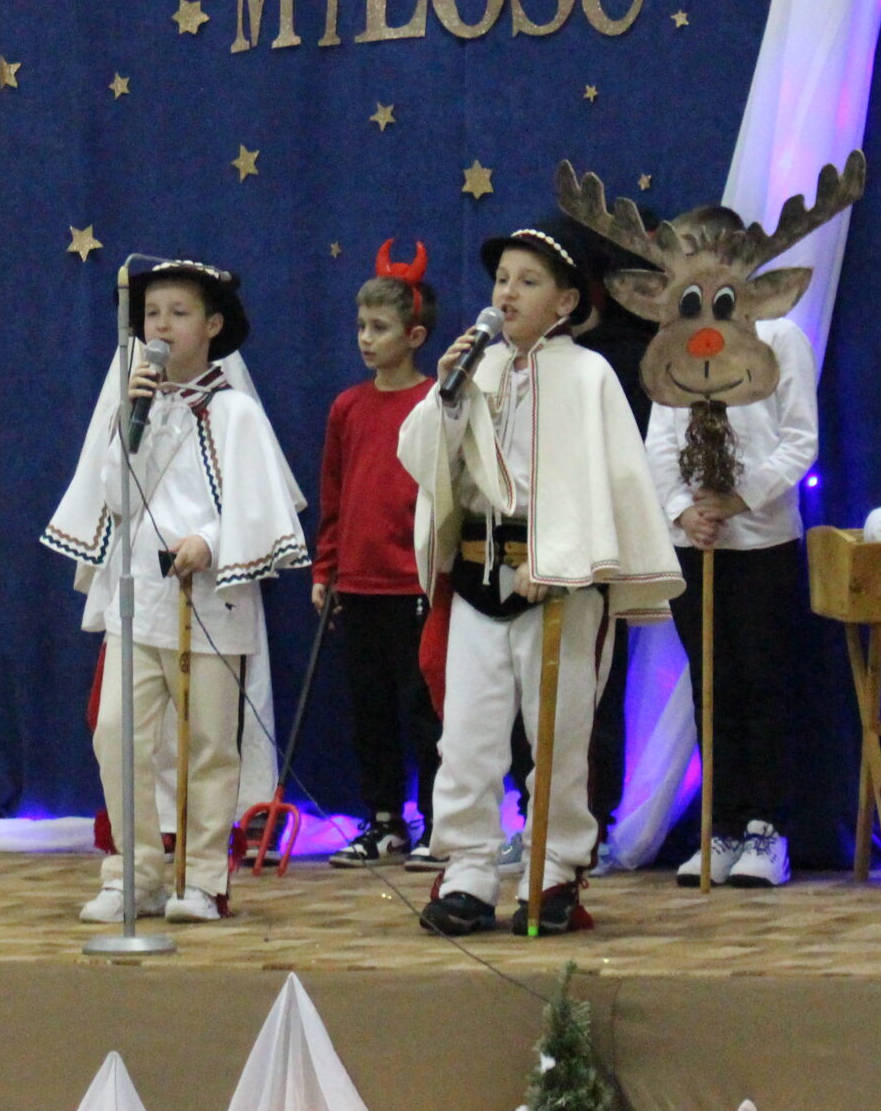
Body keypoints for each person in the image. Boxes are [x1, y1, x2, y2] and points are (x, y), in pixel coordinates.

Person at [400, 227, 684, 936]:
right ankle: (467, 868)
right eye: (502, 278)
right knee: (466, 734)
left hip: (559, 586)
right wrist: (448, 399)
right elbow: (426, 461)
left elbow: (603, 484)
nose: (507, 293)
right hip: (479, 577)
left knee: (559, 732)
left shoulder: (589, 376)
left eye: (527, 281)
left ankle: (552, 867)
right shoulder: (477, 368)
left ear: (565, 301)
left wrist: (554, 559)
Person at [43, 260, 310, 924]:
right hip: (140, 602)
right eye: (152, 314)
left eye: (178, 313)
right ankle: (134, 872)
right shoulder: (134, 406)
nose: (161, 326)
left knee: (209, 743)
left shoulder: (236, 412)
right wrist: (134, 419)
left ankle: (205, 875)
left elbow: (256, 503)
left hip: (209, 601)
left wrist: (210, 542)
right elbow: (116, 497)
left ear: (213, 325)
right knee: (117, 736)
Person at [643, 203, 818, 888]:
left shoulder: (779, 335)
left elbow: (799, 440)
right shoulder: (676, 339)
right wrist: (685, 510)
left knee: (762, 682)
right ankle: (720, 822)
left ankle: (766, 828)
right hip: (698, 543)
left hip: (762, 543)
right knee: (712, 686)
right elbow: (660, 440)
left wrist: (740, 499)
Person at [314, 244, 441, 868]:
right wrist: (326, 568)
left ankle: (440, 822)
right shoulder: (348, 407)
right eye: (361, 326)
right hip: (360, 585)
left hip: (417, 584)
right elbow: (334, 494)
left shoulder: (436, 402)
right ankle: (384, 820)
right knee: (371, 712)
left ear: (414, 336)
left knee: (427, 710)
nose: (366, 339)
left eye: (380, 328)